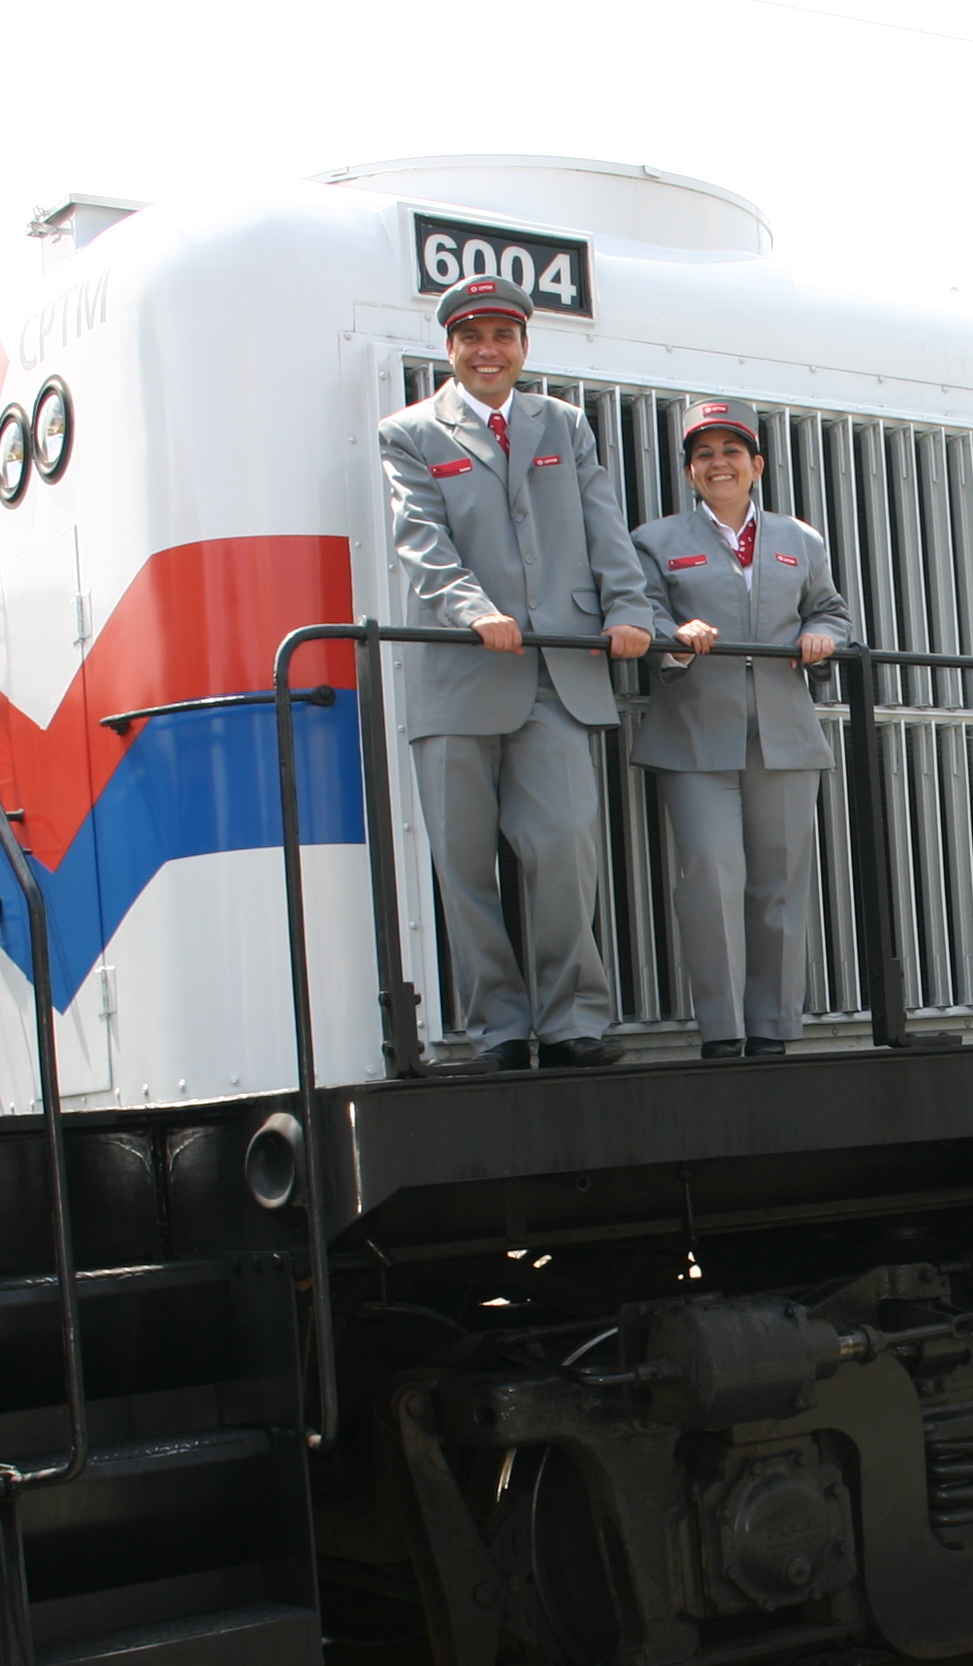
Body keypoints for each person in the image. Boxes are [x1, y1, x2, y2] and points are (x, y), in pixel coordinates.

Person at [377, 274, 659, 1072]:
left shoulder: (565, 426)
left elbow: (605, 528)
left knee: (566, 846)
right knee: (464, 865)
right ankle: (498, 1028)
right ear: (450, 349)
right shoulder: (410, 432)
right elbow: (420, 541)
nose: (487, 350)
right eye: (471, 337)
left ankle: (575, 1019)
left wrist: (629, 610)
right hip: (460, 672)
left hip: (560, 670)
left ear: (524, 347)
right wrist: (472, 611)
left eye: (502, 336)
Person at [631, 400, 852, 1058]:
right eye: (703, 455)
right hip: (695, 736)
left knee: (780, 883)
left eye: (731, 451)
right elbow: (640, 614)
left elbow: (832, 611)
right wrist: (674, 637)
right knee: (711, 876)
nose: (718, 463)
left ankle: (774, 1031)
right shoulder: (655, 542)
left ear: (756, 465)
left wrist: (820, 634)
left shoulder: (801, 541)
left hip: (785, 735)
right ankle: (723, 1033)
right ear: (691, 473)